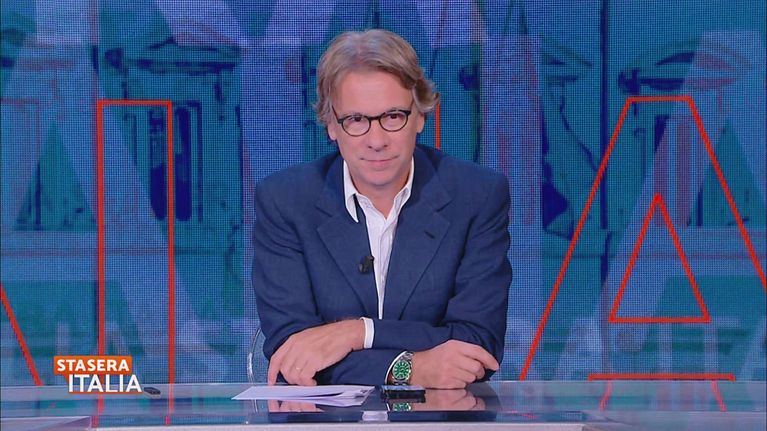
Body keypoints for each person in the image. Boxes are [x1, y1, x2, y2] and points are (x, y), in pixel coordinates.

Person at [252, 29, 512, 389]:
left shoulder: (477, 196)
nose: (376, 141)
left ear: (420, 116)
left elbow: (477, 343)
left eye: (393, 116)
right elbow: (292, 354)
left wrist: (358, 332)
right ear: (331, 125)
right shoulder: (285, 201)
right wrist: (414, 369)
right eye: (356, 120)